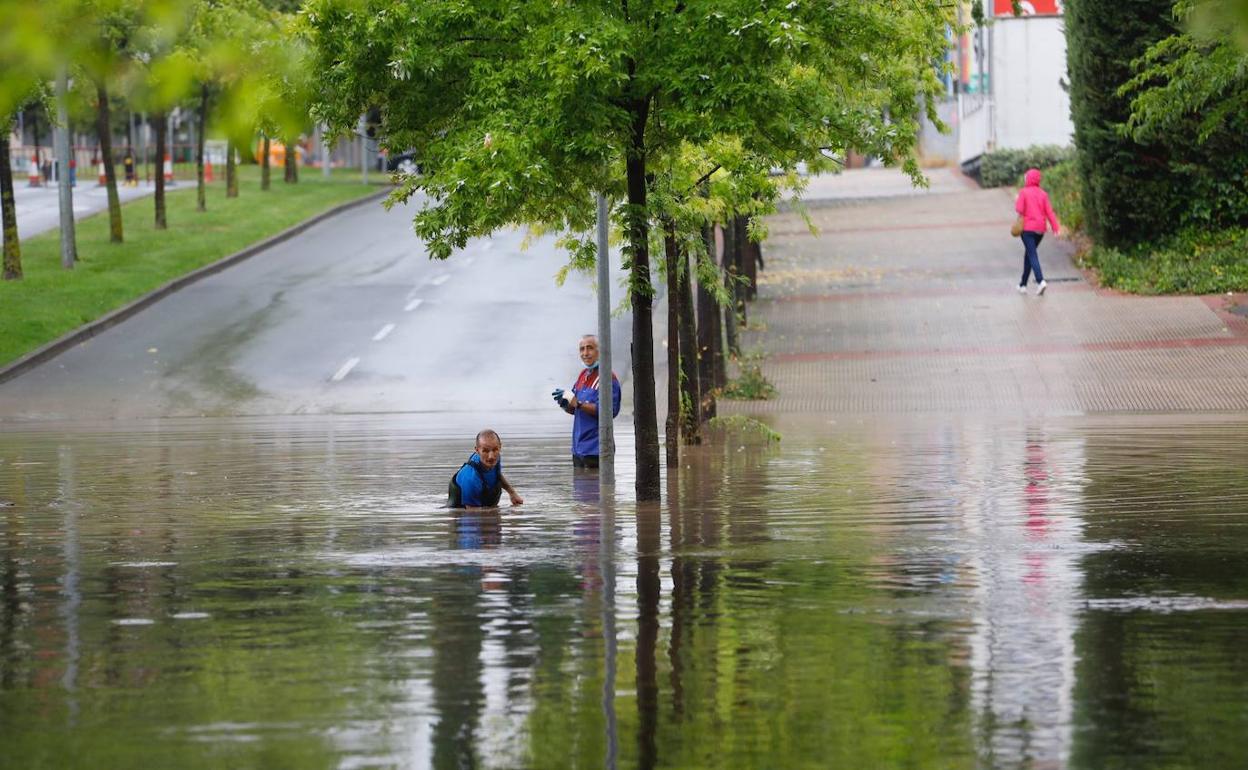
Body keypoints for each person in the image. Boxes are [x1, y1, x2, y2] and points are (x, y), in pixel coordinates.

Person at [552, 334, 621, 468]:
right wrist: (566, 404)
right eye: (582, 349)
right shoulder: (583, 376)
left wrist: (577, 403)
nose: (585, 353)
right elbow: (575, 408)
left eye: (590, 348)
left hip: (597, 449)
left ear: (599, 351)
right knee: (580, 487)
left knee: (595, 488)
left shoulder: (607, 377)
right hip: (578, 448)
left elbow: (608, 412)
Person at [447, 429, 524, 508]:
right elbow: (472, 513)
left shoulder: (495, 457)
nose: (491, 456)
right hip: (464, 512)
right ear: (477, 450)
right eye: (485, 451)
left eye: (495, 449)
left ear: (500, 447)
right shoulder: (471, 478)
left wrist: (512, 493)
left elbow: (497, 474)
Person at [1015, 167, 1061, 296]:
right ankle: (1023, 284)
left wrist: (1017, 199)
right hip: (1040, 230)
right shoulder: (1043, 194)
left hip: (1027, 229)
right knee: (1029, 254)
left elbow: (1019, 209)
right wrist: (1055, 227)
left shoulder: (1023, 192)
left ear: (1028, 179)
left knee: (1032, 255)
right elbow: (1049, 212)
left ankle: (1041, 281)